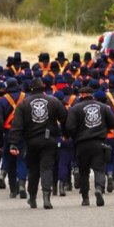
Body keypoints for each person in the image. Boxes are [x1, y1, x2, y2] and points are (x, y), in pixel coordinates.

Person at [8, 78, 67, 210]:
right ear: (44, 87)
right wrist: (65, 133)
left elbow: (17, 126)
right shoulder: (53, 101)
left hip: (31, 142)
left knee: (33, 170)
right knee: (46, 169)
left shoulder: (23, 104)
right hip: (49, 140)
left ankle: (33, 198)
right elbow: (64, 118)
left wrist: (13, 143)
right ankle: (46, 198)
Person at [66, 87, 114, 207]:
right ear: (92, 95)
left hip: (82, 143)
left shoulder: (75, 108)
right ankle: (99, 188)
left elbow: (69, 127)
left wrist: (76, 137)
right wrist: (105, 128)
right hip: (98, 142)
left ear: (82, 95)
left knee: (83, 171)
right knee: (99, 169)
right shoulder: (104, 107)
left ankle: (85, 198)